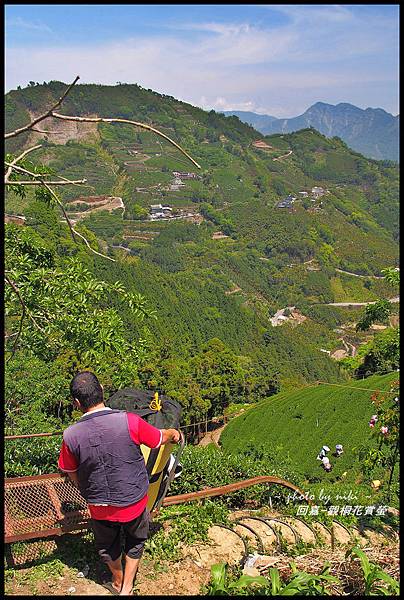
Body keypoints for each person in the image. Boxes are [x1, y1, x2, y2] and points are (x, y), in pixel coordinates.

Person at [58, 371, 180, 596]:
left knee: (107, 546)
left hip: (99, 506)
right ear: (102, 390)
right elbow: (158, 438)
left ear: (76, 403)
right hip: (134, 500)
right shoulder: (130, 421)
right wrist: (172, 432)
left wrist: (86, 490)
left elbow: (70, 471)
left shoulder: (70, 435)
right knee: (135, 540)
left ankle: (117, 580)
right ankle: (128, 587)